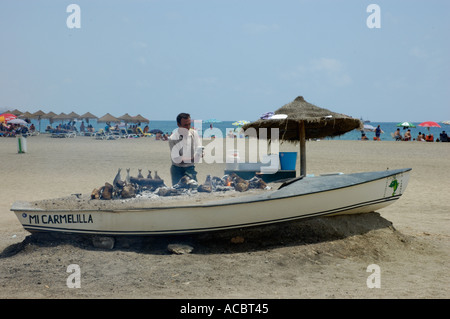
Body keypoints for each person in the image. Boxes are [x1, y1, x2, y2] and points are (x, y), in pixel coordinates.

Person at [168, 113, 203, 186]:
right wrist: (193, 159)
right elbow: (177, 160)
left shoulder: (194, 134)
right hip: (177, 169)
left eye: (189, 124)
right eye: (185, 125)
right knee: (177, 191)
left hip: (190, 168)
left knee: (194, 188)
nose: (188, 127)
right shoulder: (172, 138)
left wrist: (201, 154)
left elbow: (199, 148)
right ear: (178, 124)